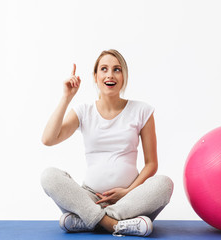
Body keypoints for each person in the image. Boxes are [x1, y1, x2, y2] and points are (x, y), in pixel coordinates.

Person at [40, 49, 174, 237]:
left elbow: (151, 164)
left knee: (164, 184)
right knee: (49, 176)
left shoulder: (142, 111)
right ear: (95, 77)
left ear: (124, 76)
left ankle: (89, 221)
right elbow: (48, 139)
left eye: (117, 69)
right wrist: (67, 97)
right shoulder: (83, 111)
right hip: (90, 198)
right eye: (104, 69)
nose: (110, 74)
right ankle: (114, 224)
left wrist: (127, 192)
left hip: (129, 199)